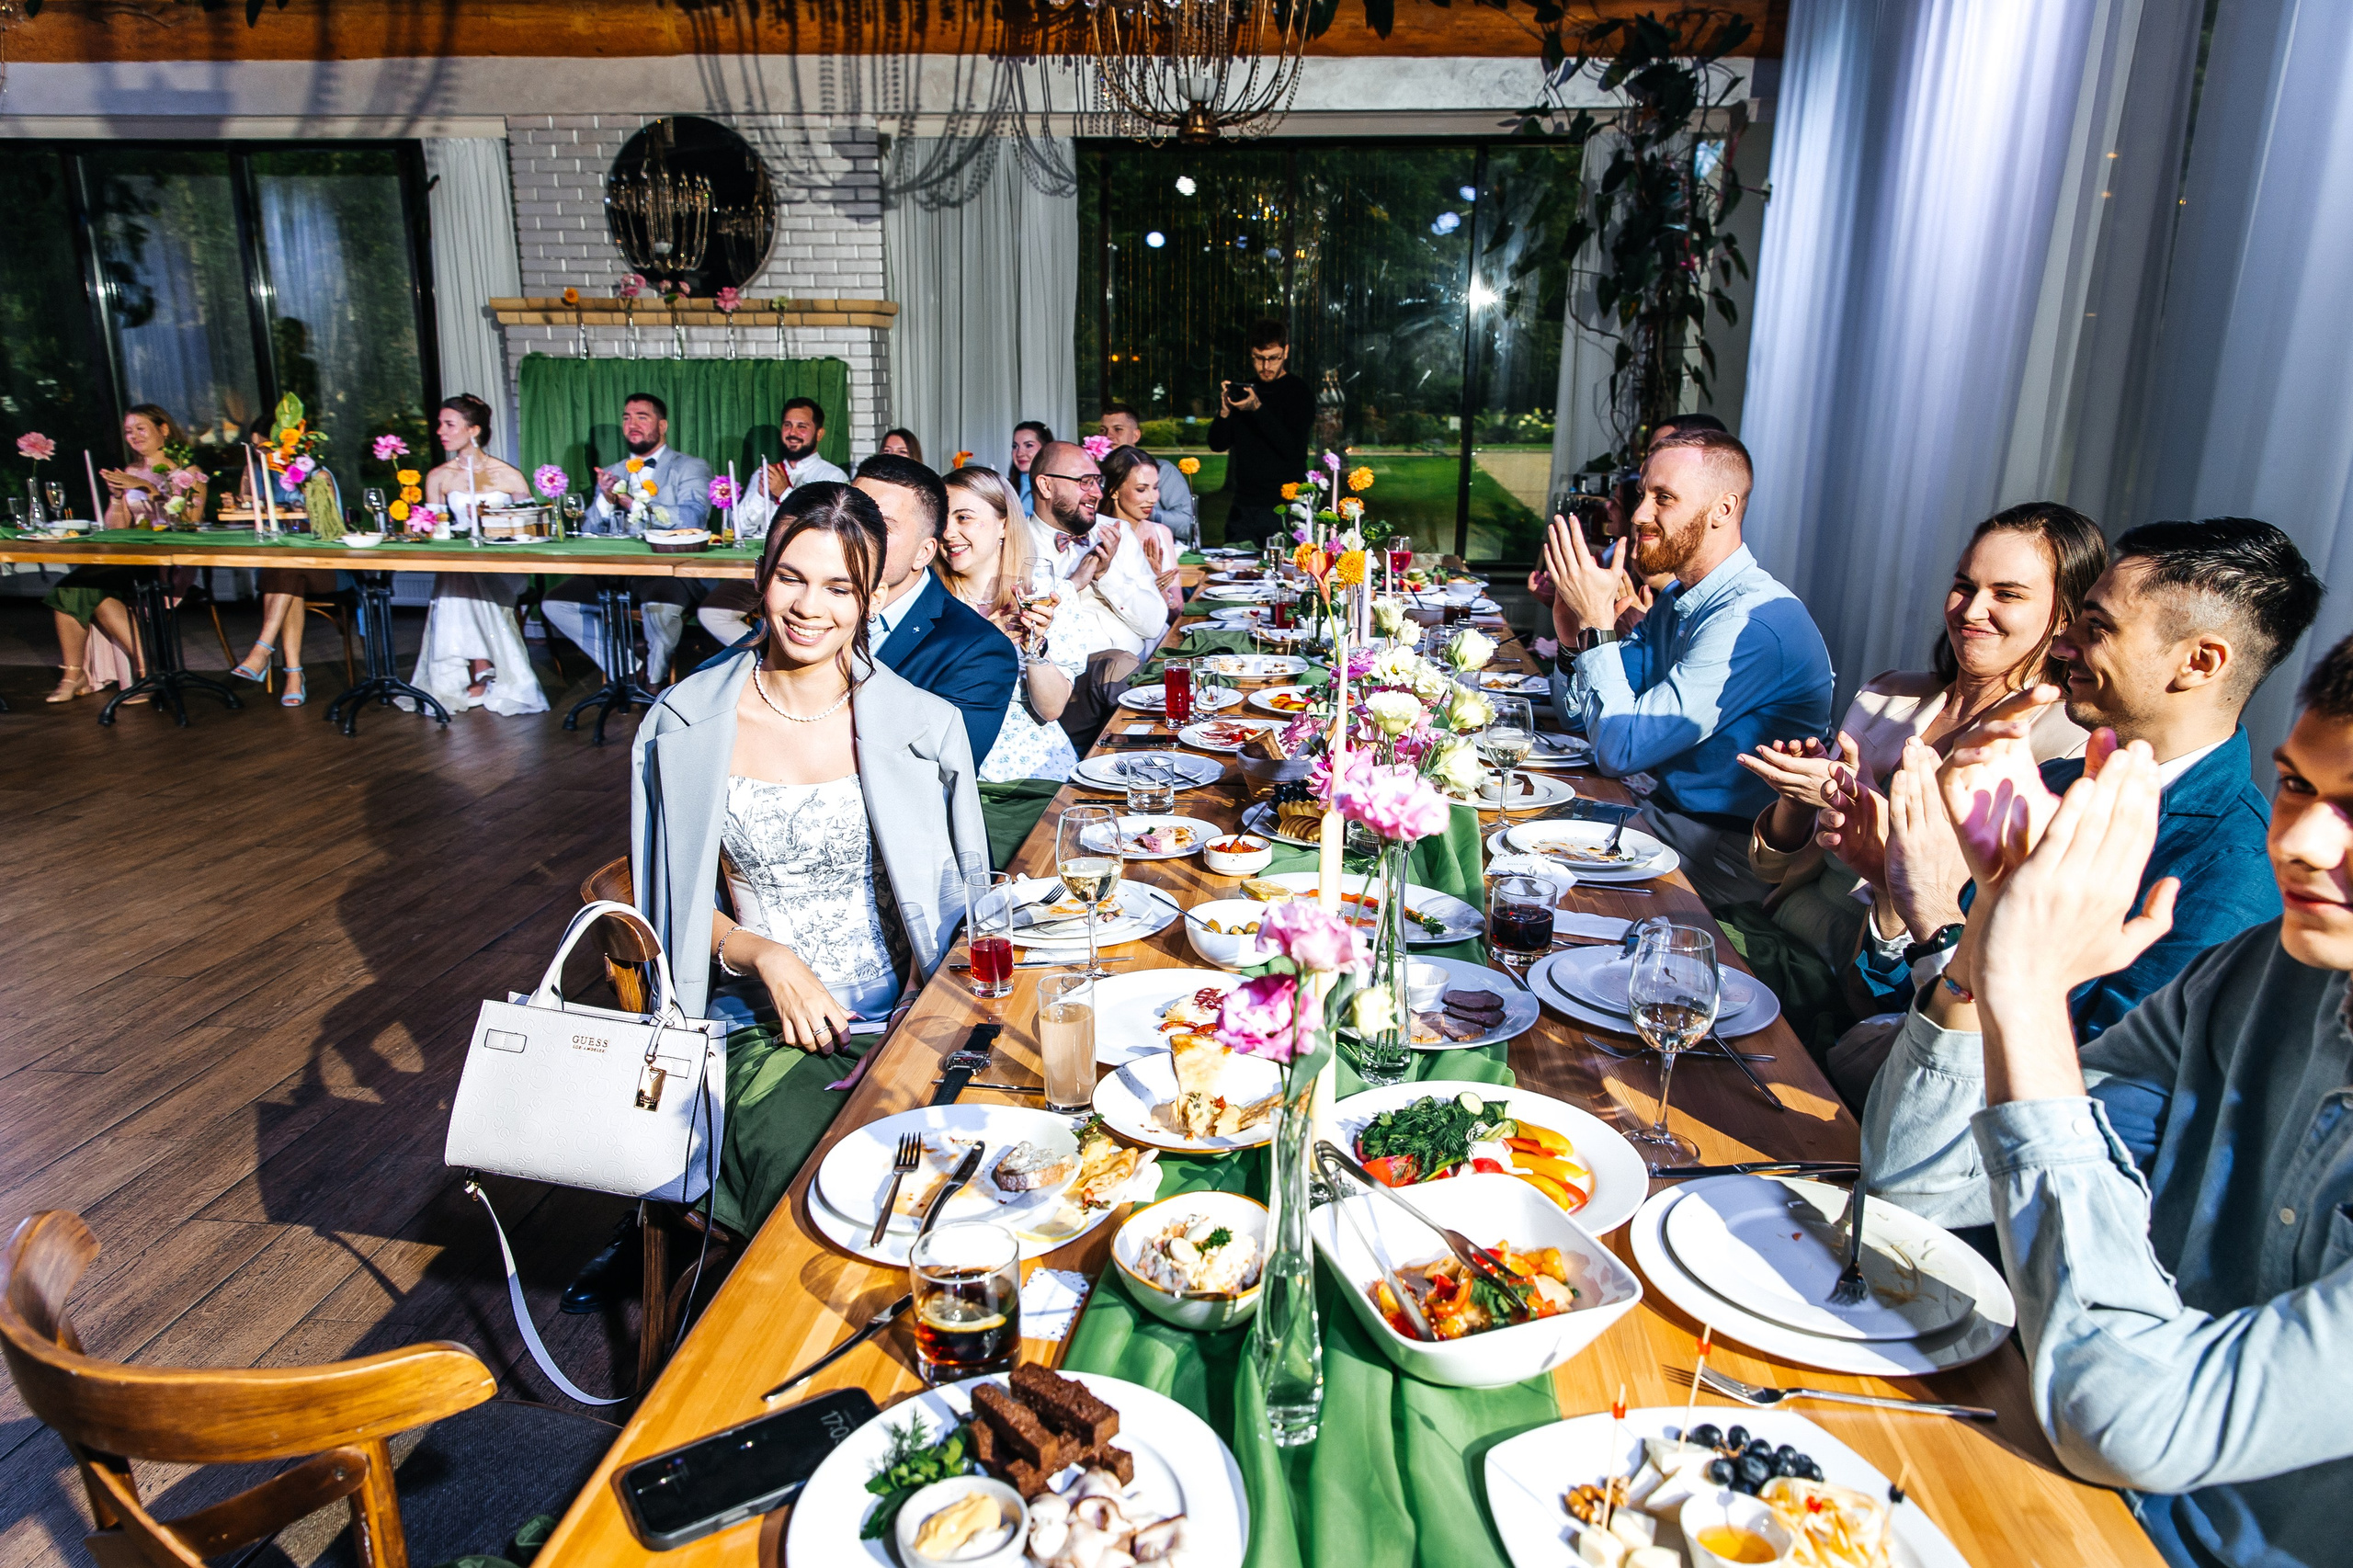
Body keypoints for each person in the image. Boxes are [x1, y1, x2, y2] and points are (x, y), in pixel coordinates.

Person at [1858, 636, 2353, 1568]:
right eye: (2297, 784)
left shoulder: (2242, 900)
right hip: (2031, 1451)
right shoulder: (2262, 973)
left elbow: (2132, 1420)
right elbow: (1919, 1192)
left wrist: (2028, 990)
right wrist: (1987, 930)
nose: (2299, 840)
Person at [627, 482, 987, 1243]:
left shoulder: (927, 725)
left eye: (839, 587)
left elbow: (961, 903)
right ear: (761, 577)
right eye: (791, 577)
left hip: (908, 1018)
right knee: (828, 1180)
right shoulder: (683, 723)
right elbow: (667, 906)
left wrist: (916, 1008)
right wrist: (765, 954)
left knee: (964, 1170)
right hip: (751, 1022)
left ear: (872, 597)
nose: (808, 607)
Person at [1837, 517, 2319, 1047]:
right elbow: (1889, 1006)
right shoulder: (2050, 783)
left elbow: (2090, 1073)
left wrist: (1936, 918)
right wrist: (1894, 889)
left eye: (2098, 627)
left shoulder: (2233, 873)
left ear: (2199, 662)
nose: (2061, 644)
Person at [1734, 504, 2103, 963]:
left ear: (2066, 616)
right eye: (1964, 586)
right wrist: (1797, 802)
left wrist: (1867, 810)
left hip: (1882, 973)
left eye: (2007, 594)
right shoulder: (1886, 695)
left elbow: (1995, 922)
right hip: (1776, 928)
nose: (1973, 610)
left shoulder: (2068, 747)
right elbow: (1772, 869)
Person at [1540, 427, 1836, 908]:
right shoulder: (1681, 599)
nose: (1639, 515)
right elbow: (1580, 718)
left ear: (1723, 509)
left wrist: (1598, 621)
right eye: (1642, 495)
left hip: (1723, 857)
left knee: (1528, 882)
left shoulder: (1750, 625)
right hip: (1662, 819)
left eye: (1664, 498)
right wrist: (1574, 639)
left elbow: (1619, 749)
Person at [850, 452, 1019, 766]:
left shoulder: (977, 649)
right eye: (850, 518)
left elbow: (945, 770)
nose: (855, 535)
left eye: (880, 526)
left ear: (924, 552)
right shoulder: (808, 607)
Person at [541, 392, 710, 689]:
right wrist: (606, 501)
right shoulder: (614, 472)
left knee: (659, 608)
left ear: (662, 425)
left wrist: (633, 504)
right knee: (556, 604)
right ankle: (627, 668)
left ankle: (654, 682)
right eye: (627, 418)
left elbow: (692, 518)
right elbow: (589, 529)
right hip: (616, 573)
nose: (632, 424)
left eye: (642, 417)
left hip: (669, 571)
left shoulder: (690, 467)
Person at [45, 403, 209, 704]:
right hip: (131, 557)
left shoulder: (188, 473)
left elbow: (190, 523)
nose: (133, 436)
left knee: (87, 588)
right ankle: (75, 674)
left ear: (163, 429)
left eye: (140, 428)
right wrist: (117, 499)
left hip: (169, 560)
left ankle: (147, 671)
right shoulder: (131, 471)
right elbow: (116, 528)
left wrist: (146, 487)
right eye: (128, 431)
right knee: (71, 589)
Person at [399, 395, 548, 716]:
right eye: (440, 424)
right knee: (459, 572)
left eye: (449, 425)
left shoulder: (507, 475)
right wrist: (423, 523)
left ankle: (476, 667)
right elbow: (436, 530)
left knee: (458, 577)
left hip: (503, 567)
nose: (440, 431)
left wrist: (493, 520)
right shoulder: (439, 476)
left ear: (474, 430)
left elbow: (531, 528)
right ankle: (480, 665)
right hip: (463, 564)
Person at [935, 464, 1079, 785]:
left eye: (963, 517)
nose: (947, 532)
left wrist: (1035, 644)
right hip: (951, 768)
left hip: (1034, 769)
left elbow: (1051, 709)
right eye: (941, 520)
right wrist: (983, 641)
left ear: (1004, 524)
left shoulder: (1047, 596)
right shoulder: (930, 600)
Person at [1024, 439, 1169, 744]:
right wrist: (1075, 582)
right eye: (1084, 482)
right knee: (1121, 666)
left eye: (1097, 481)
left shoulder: (1115, 533)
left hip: (1136, 679)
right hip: (1066, 693)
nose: (1098, 493)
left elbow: (1154, 624)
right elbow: (1032, 634)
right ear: (1046, 486)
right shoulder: (1019, 547)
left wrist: (1106, 575)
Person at [699, 397, 848, 650]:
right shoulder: (765, 472)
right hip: (756, 575)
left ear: (819, 433)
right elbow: (740, 528)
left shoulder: (832, 475)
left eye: (802, 426)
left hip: (804, 579)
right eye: (788, 425)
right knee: (711, 612)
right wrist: (761, 495)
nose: (793, 432)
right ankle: (764, 653)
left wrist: (783, 492)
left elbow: (827, 531)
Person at [1207, 319, 1313, 546]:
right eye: (1259, 358)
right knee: (1233, 563)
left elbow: (1292, 449)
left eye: (1273, 358)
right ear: (1251, 354)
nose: (1266, 366)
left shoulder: (1299, 392)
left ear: (1285, 352)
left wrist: (1257, 409)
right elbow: (1217, 444)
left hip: (1285, 505)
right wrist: (1224, 411)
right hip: (1244, 506)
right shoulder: (1245, 391)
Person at [1098, 444, 1185, 614]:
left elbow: (1178, 610)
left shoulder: (1162, 533)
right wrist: (1151, 586)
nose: (1153, 498)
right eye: (1141, 489)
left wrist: (1162, 593)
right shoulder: (1102, 537)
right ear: (1114, 491)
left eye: (1155, 488)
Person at [1098, 403, 1197, 549]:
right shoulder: (1094, 475)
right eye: (1103, 430)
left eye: (1118, 429)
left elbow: (1187, 525)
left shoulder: (1163, 471)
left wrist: (1146, 511)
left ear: (1136, 435)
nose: (1108, 436)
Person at [1008, 420, 1051, 514]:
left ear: (1045, 449)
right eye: (1015, 446)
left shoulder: (1054, 490)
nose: (1019, 453)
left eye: (1028, 445)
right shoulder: (1005, 487)